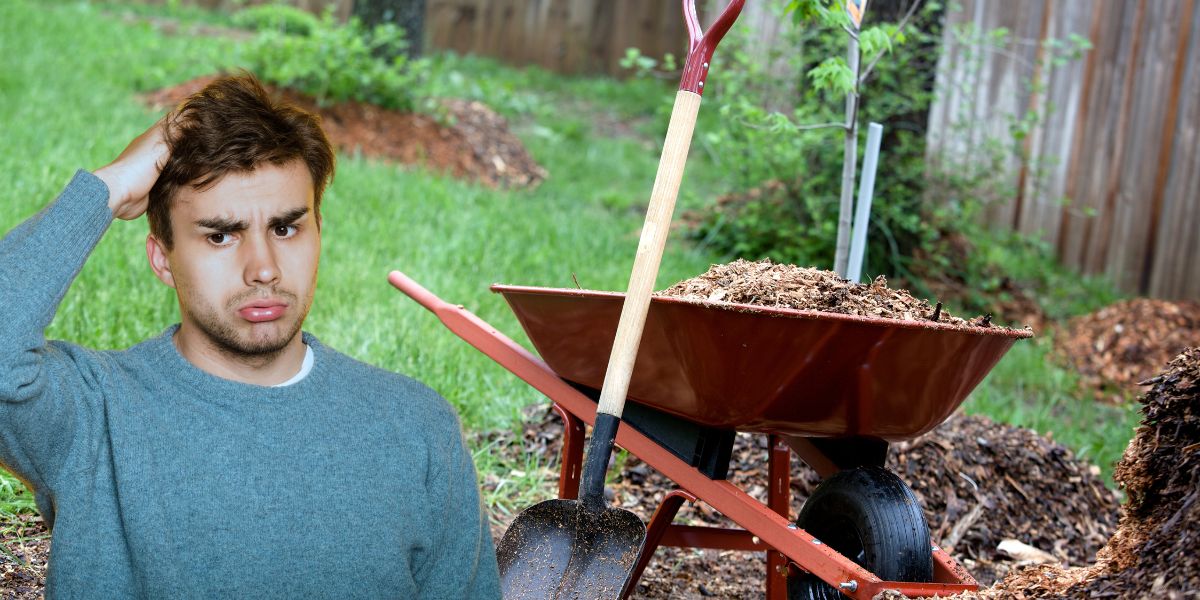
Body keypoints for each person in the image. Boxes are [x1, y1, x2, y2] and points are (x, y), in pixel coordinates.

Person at [0, 73, 501, 598]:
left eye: (285, 229)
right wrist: (109, 188)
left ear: (319, 233)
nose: (263, 268)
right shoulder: (93, 415)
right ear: (162, 258)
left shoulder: (418, 428)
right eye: (221, 235)